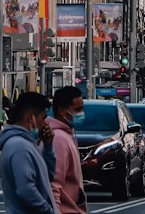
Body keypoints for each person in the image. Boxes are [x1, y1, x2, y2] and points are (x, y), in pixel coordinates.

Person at [0, 91, 57, 214]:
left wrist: (48, 146)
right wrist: (47, 210)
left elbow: (47, 177)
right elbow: (25, 189)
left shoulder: (27, 144)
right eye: (43, 118)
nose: (45, 123)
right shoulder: (19, 147)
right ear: (30, 118)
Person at [48, 86, 86, 214]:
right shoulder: (59, 140)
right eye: (77, 110)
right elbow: (54, 185)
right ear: (62, 111)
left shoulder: (68, 135)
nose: (81, 114)